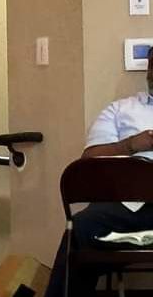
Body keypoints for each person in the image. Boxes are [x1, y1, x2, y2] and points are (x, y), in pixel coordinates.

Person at [45, 48, 153, 295]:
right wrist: (131, 145)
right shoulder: (120, 110)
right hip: (126, 212)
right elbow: (89, 164)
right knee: (81, 226)